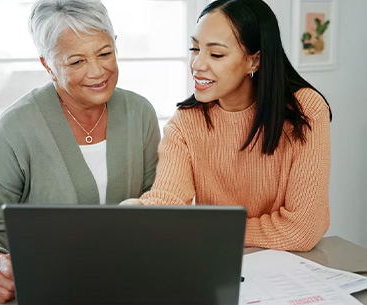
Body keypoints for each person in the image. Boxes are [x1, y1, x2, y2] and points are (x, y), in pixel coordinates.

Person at [0, 0, 160, 302]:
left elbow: (160, 205)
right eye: (76, 62)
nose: (98, 71)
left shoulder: (140, 113)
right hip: (46, 293)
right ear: (48, 65)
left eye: (105, 53)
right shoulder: (15, 128)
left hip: (126, 286)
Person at [122, 0, 332, 252]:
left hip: (290, 267)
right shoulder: (186, 122)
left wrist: (206, 228)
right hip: (218, 259)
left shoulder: (304, 110)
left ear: (254, 61)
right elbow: (168, 201)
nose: (197, 64)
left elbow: (303, 230)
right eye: (195, 48)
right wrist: (143, 212)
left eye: (216, 54)